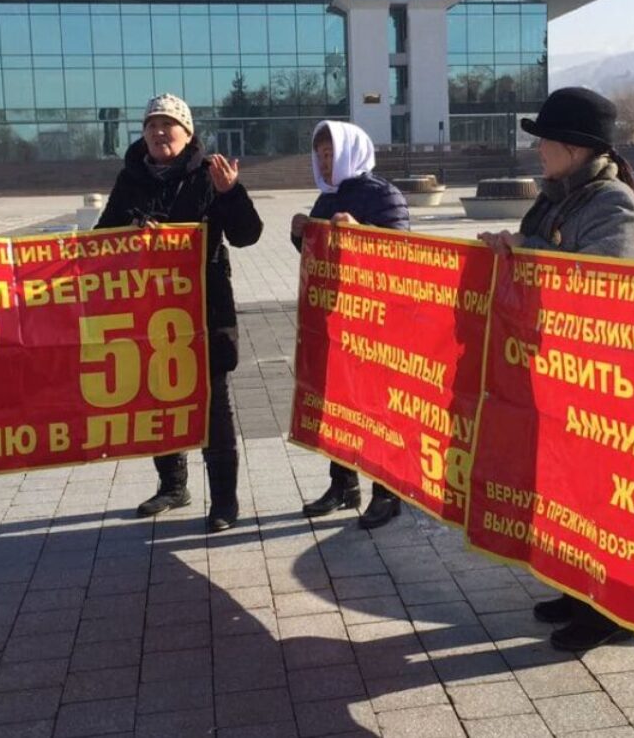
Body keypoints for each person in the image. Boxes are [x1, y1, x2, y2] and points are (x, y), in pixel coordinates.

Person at [476, 86, 634, 652]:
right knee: (565, 489)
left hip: (597, 375)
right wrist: (511, 245)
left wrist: (526, 254)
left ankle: (612, 609)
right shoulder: (556, 197)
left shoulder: (610, 201)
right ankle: (578, 589)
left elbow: (604, 280)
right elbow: (537, 247)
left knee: (598, 495)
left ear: (573, 148)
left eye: (545, 139)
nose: (538, 147)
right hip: (555, 368)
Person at [95, 94, 263, 533]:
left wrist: (231, 193)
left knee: (214, 408)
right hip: (148, 313)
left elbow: (248, 235)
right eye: (151, 124)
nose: (158, 132)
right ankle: (173, 485)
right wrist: (131, 231)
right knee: (161, 401)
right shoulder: (130, 178)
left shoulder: (210, 175)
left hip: (205, 312)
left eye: (168, 124)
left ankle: (224, 501)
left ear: (188, 135)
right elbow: (100, 239)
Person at [291, 121, 411, 529]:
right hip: (334, 319)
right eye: (320, 155)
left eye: (331, 154)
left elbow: (403, 253)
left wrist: (363, 233)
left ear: (350, 151)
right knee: (336, 405)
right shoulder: (326, 199)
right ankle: (342, 486)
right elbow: (320, 256)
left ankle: (386, 491)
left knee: (376, 408)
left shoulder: (383, 194)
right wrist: (301, 235)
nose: (325, 162)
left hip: (378, 324)